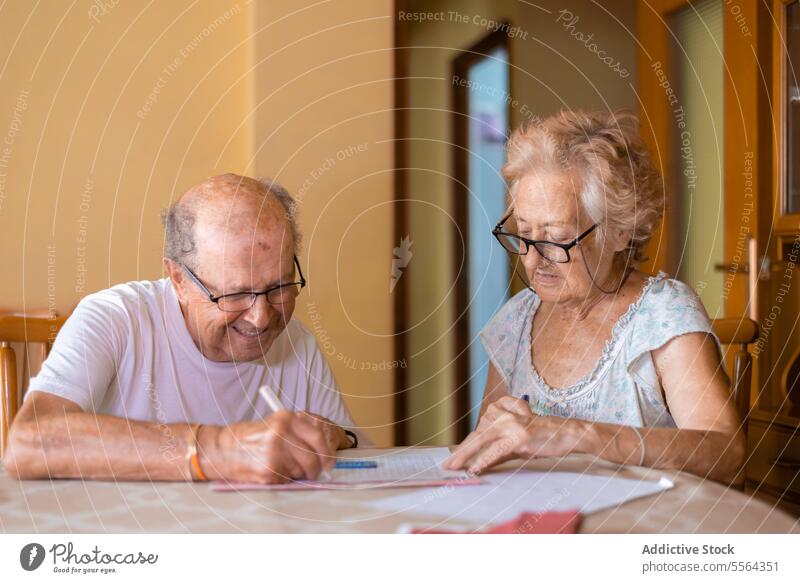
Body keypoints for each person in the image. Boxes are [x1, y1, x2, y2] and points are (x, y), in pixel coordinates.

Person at [445, 110, 745, 485]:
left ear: (620, 232)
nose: (533, 259)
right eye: (523, 234)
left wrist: (575, 435)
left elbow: (725, 453)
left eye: (556, 238)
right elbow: (488, 453)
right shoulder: (516, 320)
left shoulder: (662, 315)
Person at [4, 173, 363, 484]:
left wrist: (332, 436)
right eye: (235, 294)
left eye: (280, 286)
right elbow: (30, 443)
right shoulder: (115, 319)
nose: (262, 317)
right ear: (178, 279)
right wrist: (219, 451)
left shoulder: (296, 343)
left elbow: (357, 454)